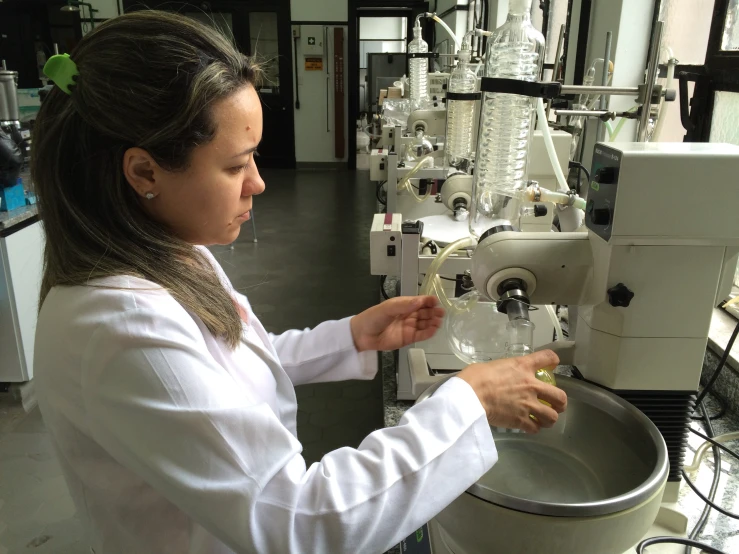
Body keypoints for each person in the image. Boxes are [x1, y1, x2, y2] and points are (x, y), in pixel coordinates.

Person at [32, 11, 567, 554]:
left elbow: (222, 366)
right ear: (144, 172)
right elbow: (302, 524)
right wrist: (467, 401)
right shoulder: (121, 327)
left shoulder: (167, 251)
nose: (258, 183)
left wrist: (350, 337)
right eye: (236, 165)